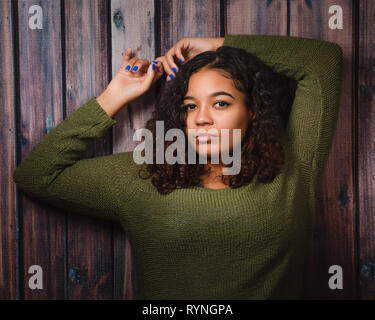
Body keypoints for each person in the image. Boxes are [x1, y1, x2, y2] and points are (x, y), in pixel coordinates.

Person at [13, 34, 343, 299]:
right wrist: (115, 95)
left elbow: (321, 61)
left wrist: (215, 45)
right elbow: (37, 175)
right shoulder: (144, 176)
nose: (201, 118)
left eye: (220, 103)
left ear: (253, 110)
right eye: (189, 106)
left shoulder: (294, 166)